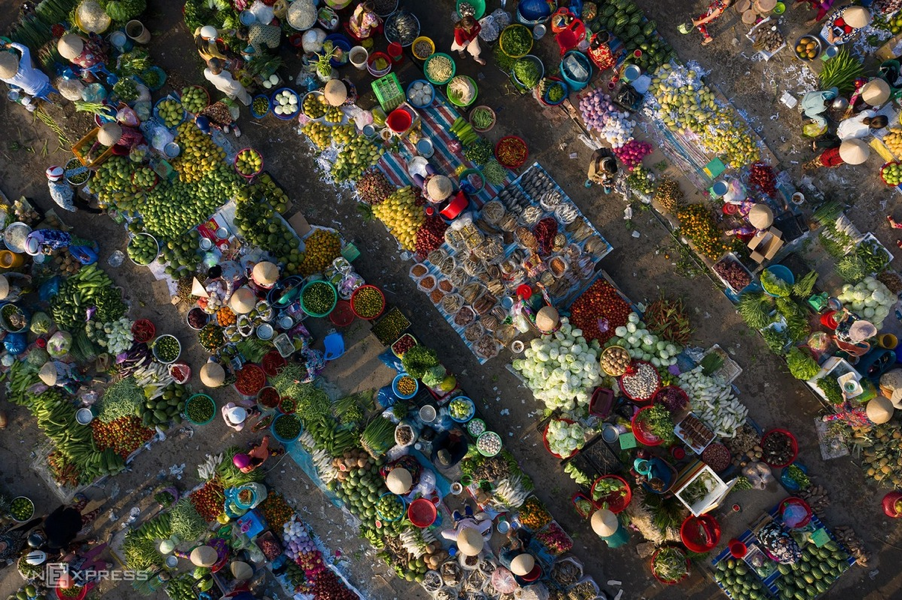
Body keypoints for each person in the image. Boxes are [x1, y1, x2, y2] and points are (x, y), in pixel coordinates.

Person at [803, 138, 869, 172]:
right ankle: (808, 166)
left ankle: (810, 166)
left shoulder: (848, 154)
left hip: (833, 161)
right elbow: (825, 156)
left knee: (817, 163)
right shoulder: (837, 151)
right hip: (824, 160)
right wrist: (828, 165)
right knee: (816, 163)